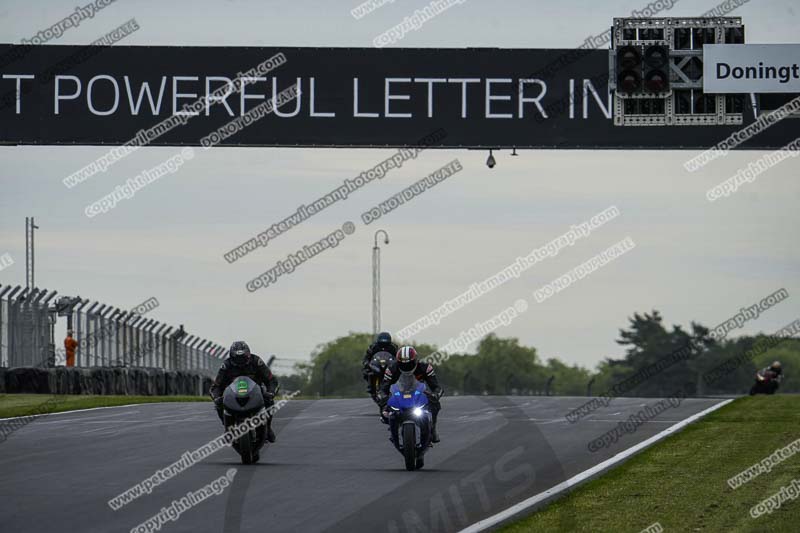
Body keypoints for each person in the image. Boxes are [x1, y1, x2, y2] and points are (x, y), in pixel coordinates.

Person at [209, 341, 279, 442]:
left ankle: (267, 427)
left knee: (269, 400)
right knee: (219, 404)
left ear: (248, 355)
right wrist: (216, 398)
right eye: (237, 358)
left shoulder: (256, 361)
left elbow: (271, 380)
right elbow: (216, 386)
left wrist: (271, 392)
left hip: (256, 392)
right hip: (234, 394)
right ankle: (228, 429)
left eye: (243, 358)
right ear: (232, 357)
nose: (240, 361)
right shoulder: (226, 365)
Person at [378, 345, 443, 443]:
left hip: (419, 394)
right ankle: (393, 429)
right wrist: (383, 397)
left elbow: (437, 387)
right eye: (403, 364)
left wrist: (435, 394)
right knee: (385, 411)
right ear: (398, 362)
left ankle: (432, 429)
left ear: (415, 360)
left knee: (435, 405)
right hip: (399, 394)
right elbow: (383, 388)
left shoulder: (425, 367)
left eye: (409, 363)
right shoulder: (391, 369)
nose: (406, 366)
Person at [361, 331, 399, 397]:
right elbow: (367, 357)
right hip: (376, 365)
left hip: (389, 365)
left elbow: (398, 356)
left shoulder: (393, 347)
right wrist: (366, 363)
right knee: (367, 371)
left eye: (385, 339)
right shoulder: (373, 347)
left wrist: (397, 363)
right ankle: (371, 386)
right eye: (382, 339)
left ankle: (395, 387)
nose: (384, 341)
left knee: (398, 372)